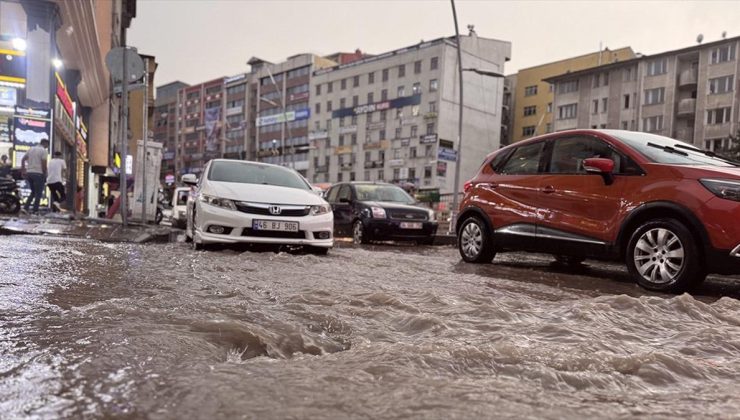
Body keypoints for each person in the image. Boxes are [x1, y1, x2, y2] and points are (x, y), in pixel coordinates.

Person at [21, 139, 49, 215]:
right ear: (45, 144)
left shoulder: (31, 149)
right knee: (38, 193)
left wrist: (23, 170)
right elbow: (44, 164)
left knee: (33, 192)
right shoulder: (43, 151)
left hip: (29, 173)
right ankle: (35, 210)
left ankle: (25, 208)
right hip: (38, 174)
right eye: (47, 145)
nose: (47, 147)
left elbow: (23, 159)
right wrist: (45, 174)